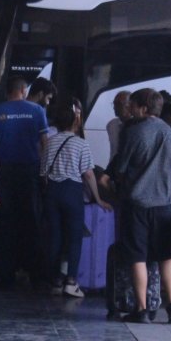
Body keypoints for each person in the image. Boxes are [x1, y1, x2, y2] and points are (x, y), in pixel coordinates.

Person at [110, 88, 171, 324]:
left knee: (137, 257)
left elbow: (120, 168)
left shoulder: (134, 132)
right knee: (166, 256)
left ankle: (141, 310)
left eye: (132, 105)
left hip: (138, 204)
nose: (129, 109)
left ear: (143, 107)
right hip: (165, 204)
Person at [41, 100, 111, 298]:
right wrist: (97, 199)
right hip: (72, 191)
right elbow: (88, 174)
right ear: (75, 122)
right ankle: (71, 281)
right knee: (74, 238)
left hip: (52, 192)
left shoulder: (50, 141)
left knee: (54, 236)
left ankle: (54, 279)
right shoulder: (81, 144)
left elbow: (44, 171)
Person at [0, 76, 48, 289]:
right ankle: (35, 273)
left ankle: (6, 274)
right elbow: (44, 144)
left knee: (6, 222)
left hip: (4, 173)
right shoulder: (38, 111)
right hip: (30, 173)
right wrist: (43, 172)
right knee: (32, 221)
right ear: (23, 90)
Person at [106, 90, 132, 161]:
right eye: (114, 104)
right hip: (113, 168)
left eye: (118, 104)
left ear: (130, 105)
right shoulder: (111, 125)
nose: (114, 107)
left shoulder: (139, 126)